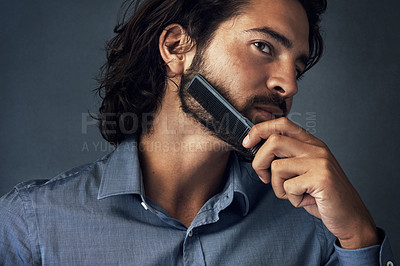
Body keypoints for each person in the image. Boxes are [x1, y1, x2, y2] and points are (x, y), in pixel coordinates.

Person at [0, 0, 395, 265]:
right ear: (176, 47)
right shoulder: (32, 224)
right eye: (263, 46)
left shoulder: (320, 232)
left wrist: (360, 233)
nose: (289, 84)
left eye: (299, 66)